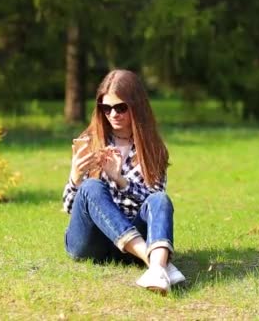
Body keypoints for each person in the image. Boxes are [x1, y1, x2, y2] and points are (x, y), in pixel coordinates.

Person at [61, 69, 185, 295]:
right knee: (91, 187)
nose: (112, 114)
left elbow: (153, 203)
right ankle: (157, 262)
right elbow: (70, 207)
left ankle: (155, 270)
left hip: (127, 248)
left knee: (161, 200)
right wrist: (75, 177)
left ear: (136, 106)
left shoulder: (152, 149)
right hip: (90, 243)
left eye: (120, 107)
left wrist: (121, 181)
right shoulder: (91, 141)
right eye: (106, 108)